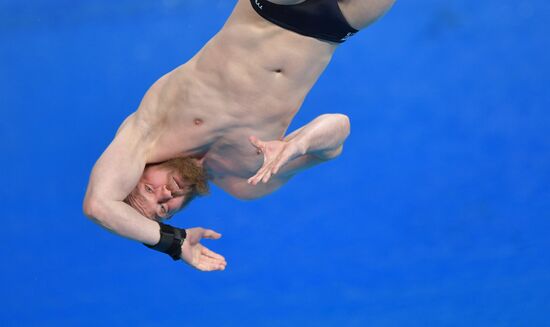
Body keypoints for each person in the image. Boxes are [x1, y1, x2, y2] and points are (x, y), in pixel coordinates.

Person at [83, 0, 396, 271]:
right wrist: (300, 144)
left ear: (138, 170)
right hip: (337, 25)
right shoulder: (245, 181)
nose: (165, 194)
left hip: (271, 9)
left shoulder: (150, 129)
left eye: (149, 188)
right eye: (164, 209)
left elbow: (99, 205)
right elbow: (339, 131)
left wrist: (172, 243)